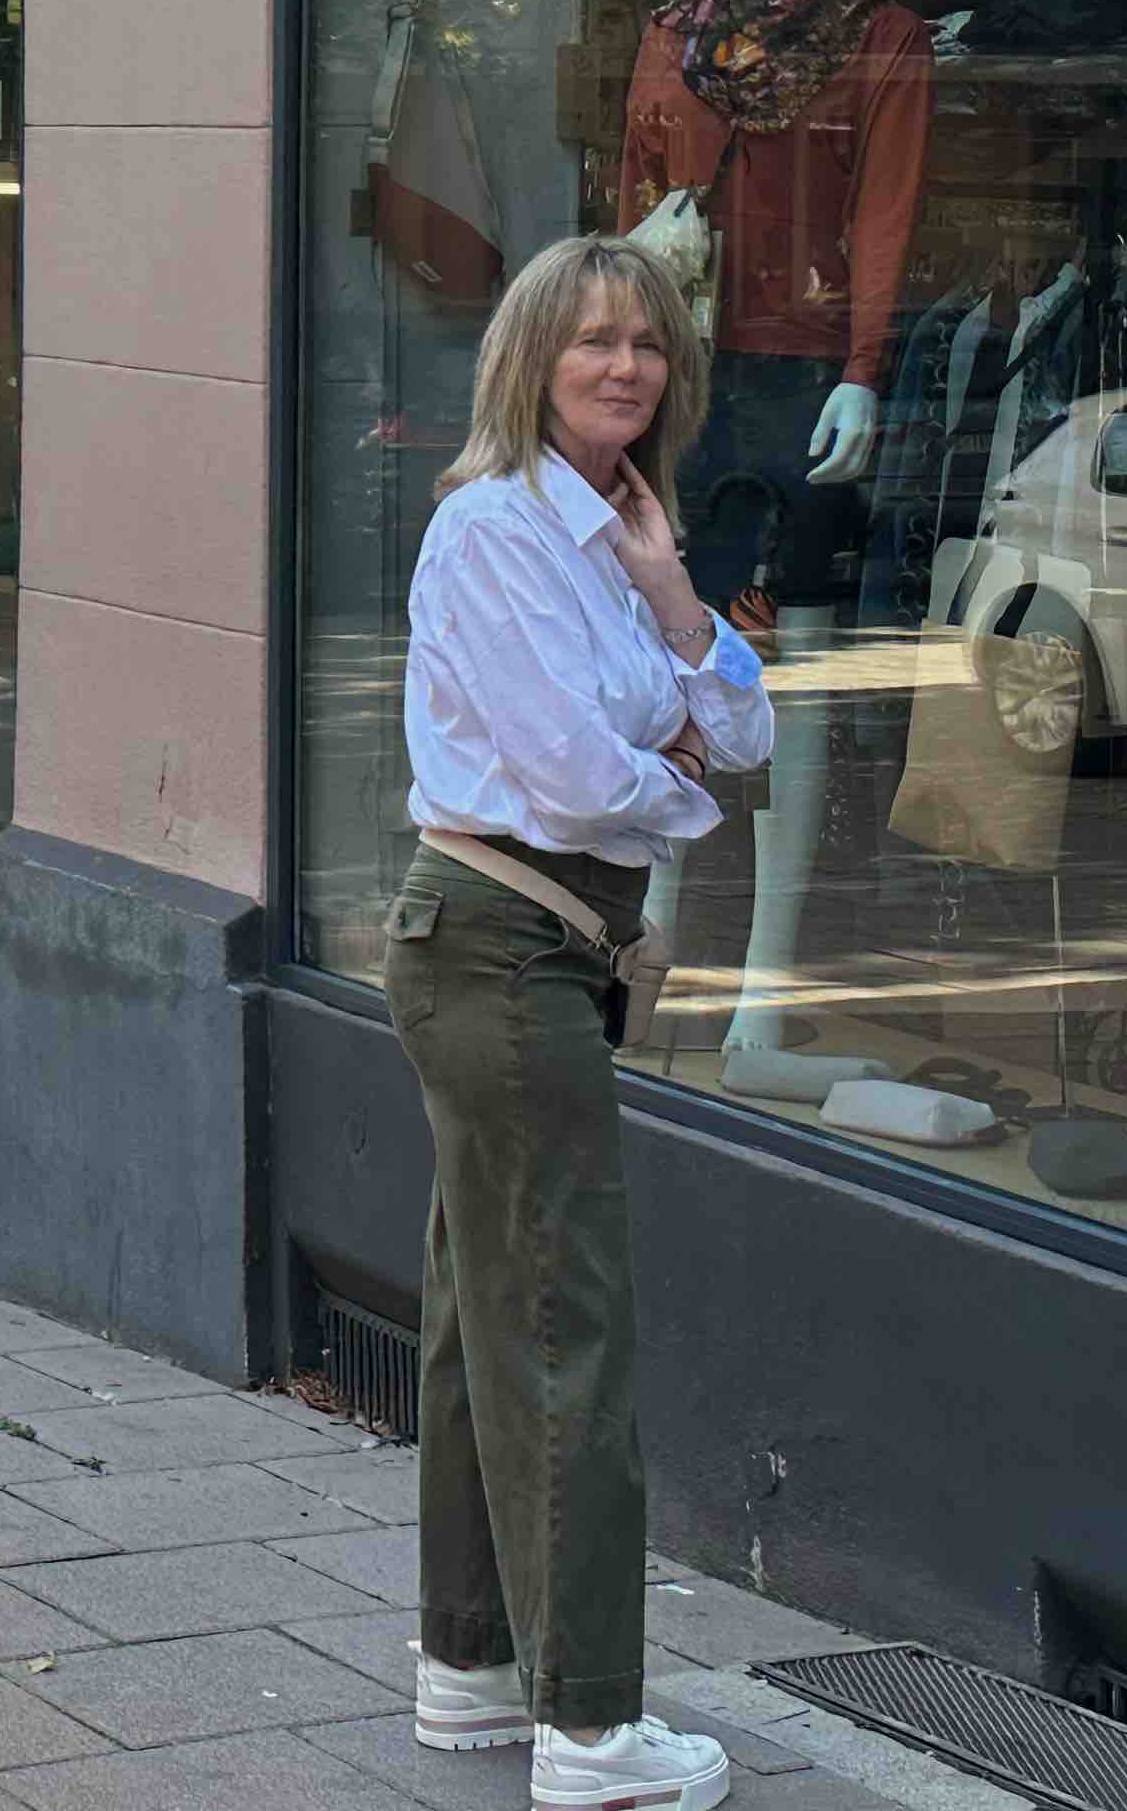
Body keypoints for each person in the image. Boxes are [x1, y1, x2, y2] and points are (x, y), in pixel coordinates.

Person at [394, 232, 773, 1811]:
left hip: (534, 949)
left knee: (488, 1322)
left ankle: (474, 1672)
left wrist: (672, 587)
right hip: (504, 945)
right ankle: (596, 1733)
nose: (626, 366)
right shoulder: (492, 528)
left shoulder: (617, 538)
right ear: (530, 357)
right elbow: (580, 776)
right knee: (567, 1334)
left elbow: (744, 717)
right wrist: (677, 783)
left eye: (650, 344)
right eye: (595, 340)